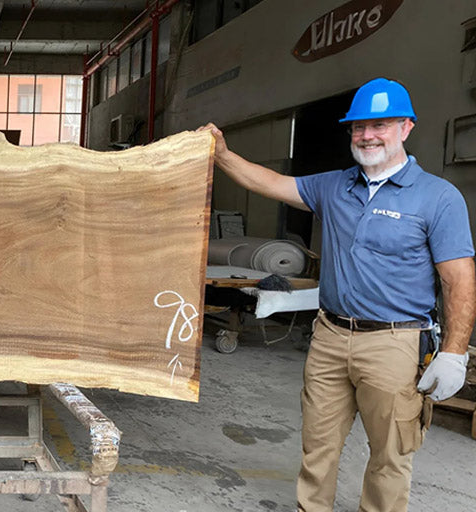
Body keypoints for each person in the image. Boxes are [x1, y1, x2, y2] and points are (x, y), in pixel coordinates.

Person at [201, 77, 475, 512]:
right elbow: (270, 183)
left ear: (406, 127)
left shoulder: (438, 198)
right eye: (358, 127)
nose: (367, 136)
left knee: (390, 454)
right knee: (318, 445)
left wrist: (454, 353)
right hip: (328, 337)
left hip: (394, 343)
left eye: (379, 125)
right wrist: (223, 155)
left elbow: (459, 279)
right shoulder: (334, 186)